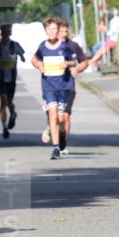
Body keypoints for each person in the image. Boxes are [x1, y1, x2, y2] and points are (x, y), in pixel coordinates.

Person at [32, 17, 78, 160]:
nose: (51, 32)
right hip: (48, 87)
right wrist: (39, 65)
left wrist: (67, 64)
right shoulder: (42, 47)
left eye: (54, 29)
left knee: (61, 118)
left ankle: (63, 135)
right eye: (49, 29)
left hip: (63, 87)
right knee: (52, 113)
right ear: (45, 31)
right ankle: (56, 147)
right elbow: (34, 59)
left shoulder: (63, 47)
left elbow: (74, 61)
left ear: (58, 31)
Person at [58, 20, 89, 155]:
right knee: (56, 117)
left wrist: (77, 69)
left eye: (66, 31)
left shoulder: (73, 46)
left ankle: (63, 143)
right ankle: (54, 130)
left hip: (69, 86)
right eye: (61, 31)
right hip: (53, 86)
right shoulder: (50, 46)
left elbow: (85, 61)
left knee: (65, 116)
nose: (64, 34)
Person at [0, 23, 25, 139]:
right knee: (3, 101)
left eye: (7, 33)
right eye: (4, 33)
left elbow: (23, 55)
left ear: (9, 34)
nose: (5, 35)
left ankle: (13, 113)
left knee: (9, 102)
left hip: (11, 78)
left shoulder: (15, 45)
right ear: (1, 34)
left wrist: (20, 57)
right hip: (0, 78)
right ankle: (5, 127)